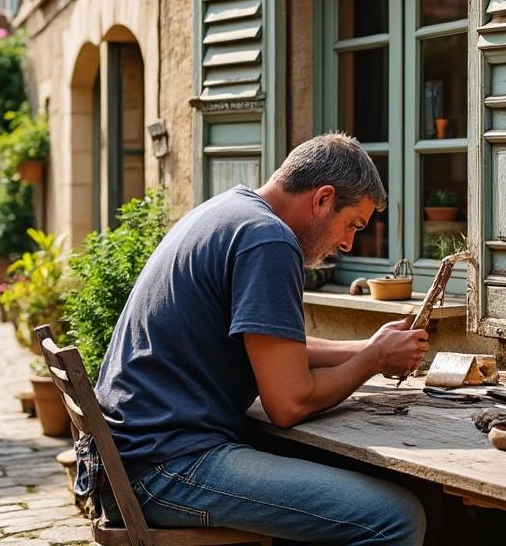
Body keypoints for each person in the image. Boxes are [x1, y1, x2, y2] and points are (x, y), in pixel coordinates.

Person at [93, 133, 428, 545]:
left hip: (132, 457)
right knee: (395, 518)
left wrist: (364, 347)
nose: (347, 244)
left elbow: (277, 348)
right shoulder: (268, 240)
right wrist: (372, 361)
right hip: (164, 469)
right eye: (352, 225)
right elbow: (289, 403)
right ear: (323, 199)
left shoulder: (230, 211)